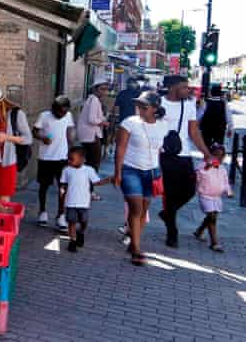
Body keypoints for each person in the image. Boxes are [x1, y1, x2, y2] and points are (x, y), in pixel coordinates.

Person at [114, 91, 168, 266]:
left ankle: (133, 239)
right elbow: (120, 148)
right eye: (138, 105)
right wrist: (118, 172)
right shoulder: (129, 123)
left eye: (144, 106)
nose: (140, 109)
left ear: (154, 108)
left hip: (151, 172)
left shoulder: (163, 126)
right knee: (136, 209)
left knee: (143, 212)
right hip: (131, 170)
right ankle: (136, 248)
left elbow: (159, 149)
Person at [159, 75, 212, 248]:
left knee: (189, 190)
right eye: (184, 87)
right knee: (170, 194)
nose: (188, 90)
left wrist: (206, 153)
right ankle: (172, 232)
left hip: (184, 154)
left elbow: (194, 132)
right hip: (164, 154)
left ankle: (167, 214)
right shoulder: (158, 103)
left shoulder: (188, 105)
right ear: (173, 88)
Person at [33, 96, 76, 230]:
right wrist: (42, 137)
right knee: (44, 186)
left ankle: (61, 215)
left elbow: (69, 133)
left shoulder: (68, 116)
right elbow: (35, 131)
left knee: (63, 187)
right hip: (46, 157)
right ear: (53, 109)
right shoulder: (44, 116)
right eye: (59, 112)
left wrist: (71, 152)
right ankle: (42, 212)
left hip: (62, 157)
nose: (62, 114)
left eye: (64, 112)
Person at [60, 146, 111, 252]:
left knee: (84, 221)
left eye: (72, 159)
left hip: (83, 203)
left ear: (82, 159)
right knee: (71, 221)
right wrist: (62, 194)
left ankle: (81, 232)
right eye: (68, 158)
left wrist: (108, 180)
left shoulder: (88, 170)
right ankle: (72, 241)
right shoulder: (66, 170)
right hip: (70, 202)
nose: (69, 161)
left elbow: (96, 182)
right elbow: (63, 184)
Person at [194, 143, 231, 253]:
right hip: (205, 196)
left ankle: (199, 230)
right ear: (210, 155)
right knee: (212, 216)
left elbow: (226, 182)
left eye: (221, 156)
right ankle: (214, 243)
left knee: (212, 216)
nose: (218, 158)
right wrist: (207, 167)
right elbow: (199, 176)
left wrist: (228, 191)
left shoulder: (223, 169)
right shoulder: (202, 166)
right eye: (216, 155)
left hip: (217, 197)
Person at [77, 78, 110, 193]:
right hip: (91, 135)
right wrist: (103, 122)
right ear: (96, 89)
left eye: (106, 89)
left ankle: (86, 188)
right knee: (94, 163)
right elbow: (92, 119)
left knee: (90, 162)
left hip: (89, 135)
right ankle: (89, 190)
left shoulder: (92, 99)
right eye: (102, 89)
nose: (105, 92)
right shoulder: (94, 100)